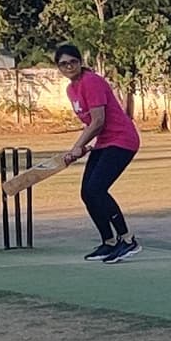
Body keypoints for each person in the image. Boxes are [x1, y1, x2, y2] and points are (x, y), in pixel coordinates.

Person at [43, 41, 141, 261]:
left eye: (73, 62)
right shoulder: (71, 89)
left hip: (122, 139)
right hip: (104, 141)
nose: (69, 67)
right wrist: (84, 147)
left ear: (80, 62)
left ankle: (127, 239)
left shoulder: (91, 82)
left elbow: (98, 121)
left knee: (97, 189)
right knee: (87, 193)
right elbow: (91, 124)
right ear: (58, 67)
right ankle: (108, 241)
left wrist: (76, 147)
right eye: (63, 64)